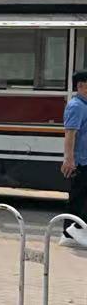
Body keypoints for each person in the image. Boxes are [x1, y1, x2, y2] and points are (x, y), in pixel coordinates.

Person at [62, 70, 87, 248]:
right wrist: (69, 159)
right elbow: (70, 134)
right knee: (78, 199)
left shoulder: (84, 105)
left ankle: (71, 234)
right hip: (80, 161)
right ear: (80, 86)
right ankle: (71, 232)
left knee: (80, 198)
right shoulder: (76, 106)